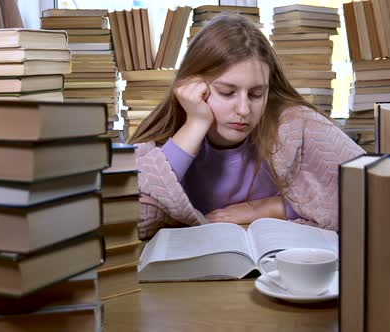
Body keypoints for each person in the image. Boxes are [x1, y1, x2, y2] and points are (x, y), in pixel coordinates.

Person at [128, 14, 363, 240]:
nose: (243, 109)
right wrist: (196, 123)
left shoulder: (295, 125)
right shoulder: (170, 135)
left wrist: (274, 207)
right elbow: (130, 215)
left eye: (256, 94)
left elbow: (370, 191)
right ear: (193, 86)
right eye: (227, 92)